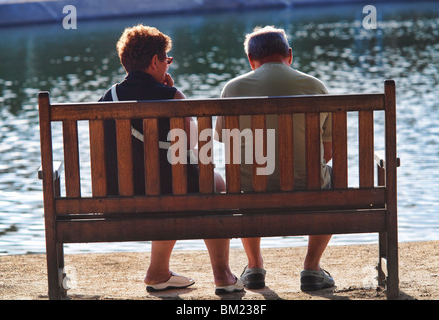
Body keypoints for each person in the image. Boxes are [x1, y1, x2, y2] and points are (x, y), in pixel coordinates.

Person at [99, 24, 242, 294]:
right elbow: (200, 149)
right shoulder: (172, 96)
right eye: (167, 59)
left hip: (116, 195)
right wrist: (173, 96)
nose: (168, 65)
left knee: (164, 184)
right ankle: (222, 275)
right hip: (166, 191)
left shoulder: (108, 98)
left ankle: (159, 272)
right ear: (154, 61)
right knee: (215, 183)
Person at [215, 26, 335, 292]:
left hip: (249, 190)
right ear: (289, 55)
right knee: (332, 179)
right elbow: (329, 152)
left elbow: (228, 143)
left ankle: (254, 266)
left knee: (243, 177)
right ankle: (312, 269)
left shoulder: (232, 89)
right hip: (310, 187)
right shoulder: (315, 86)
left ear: (251, 60)